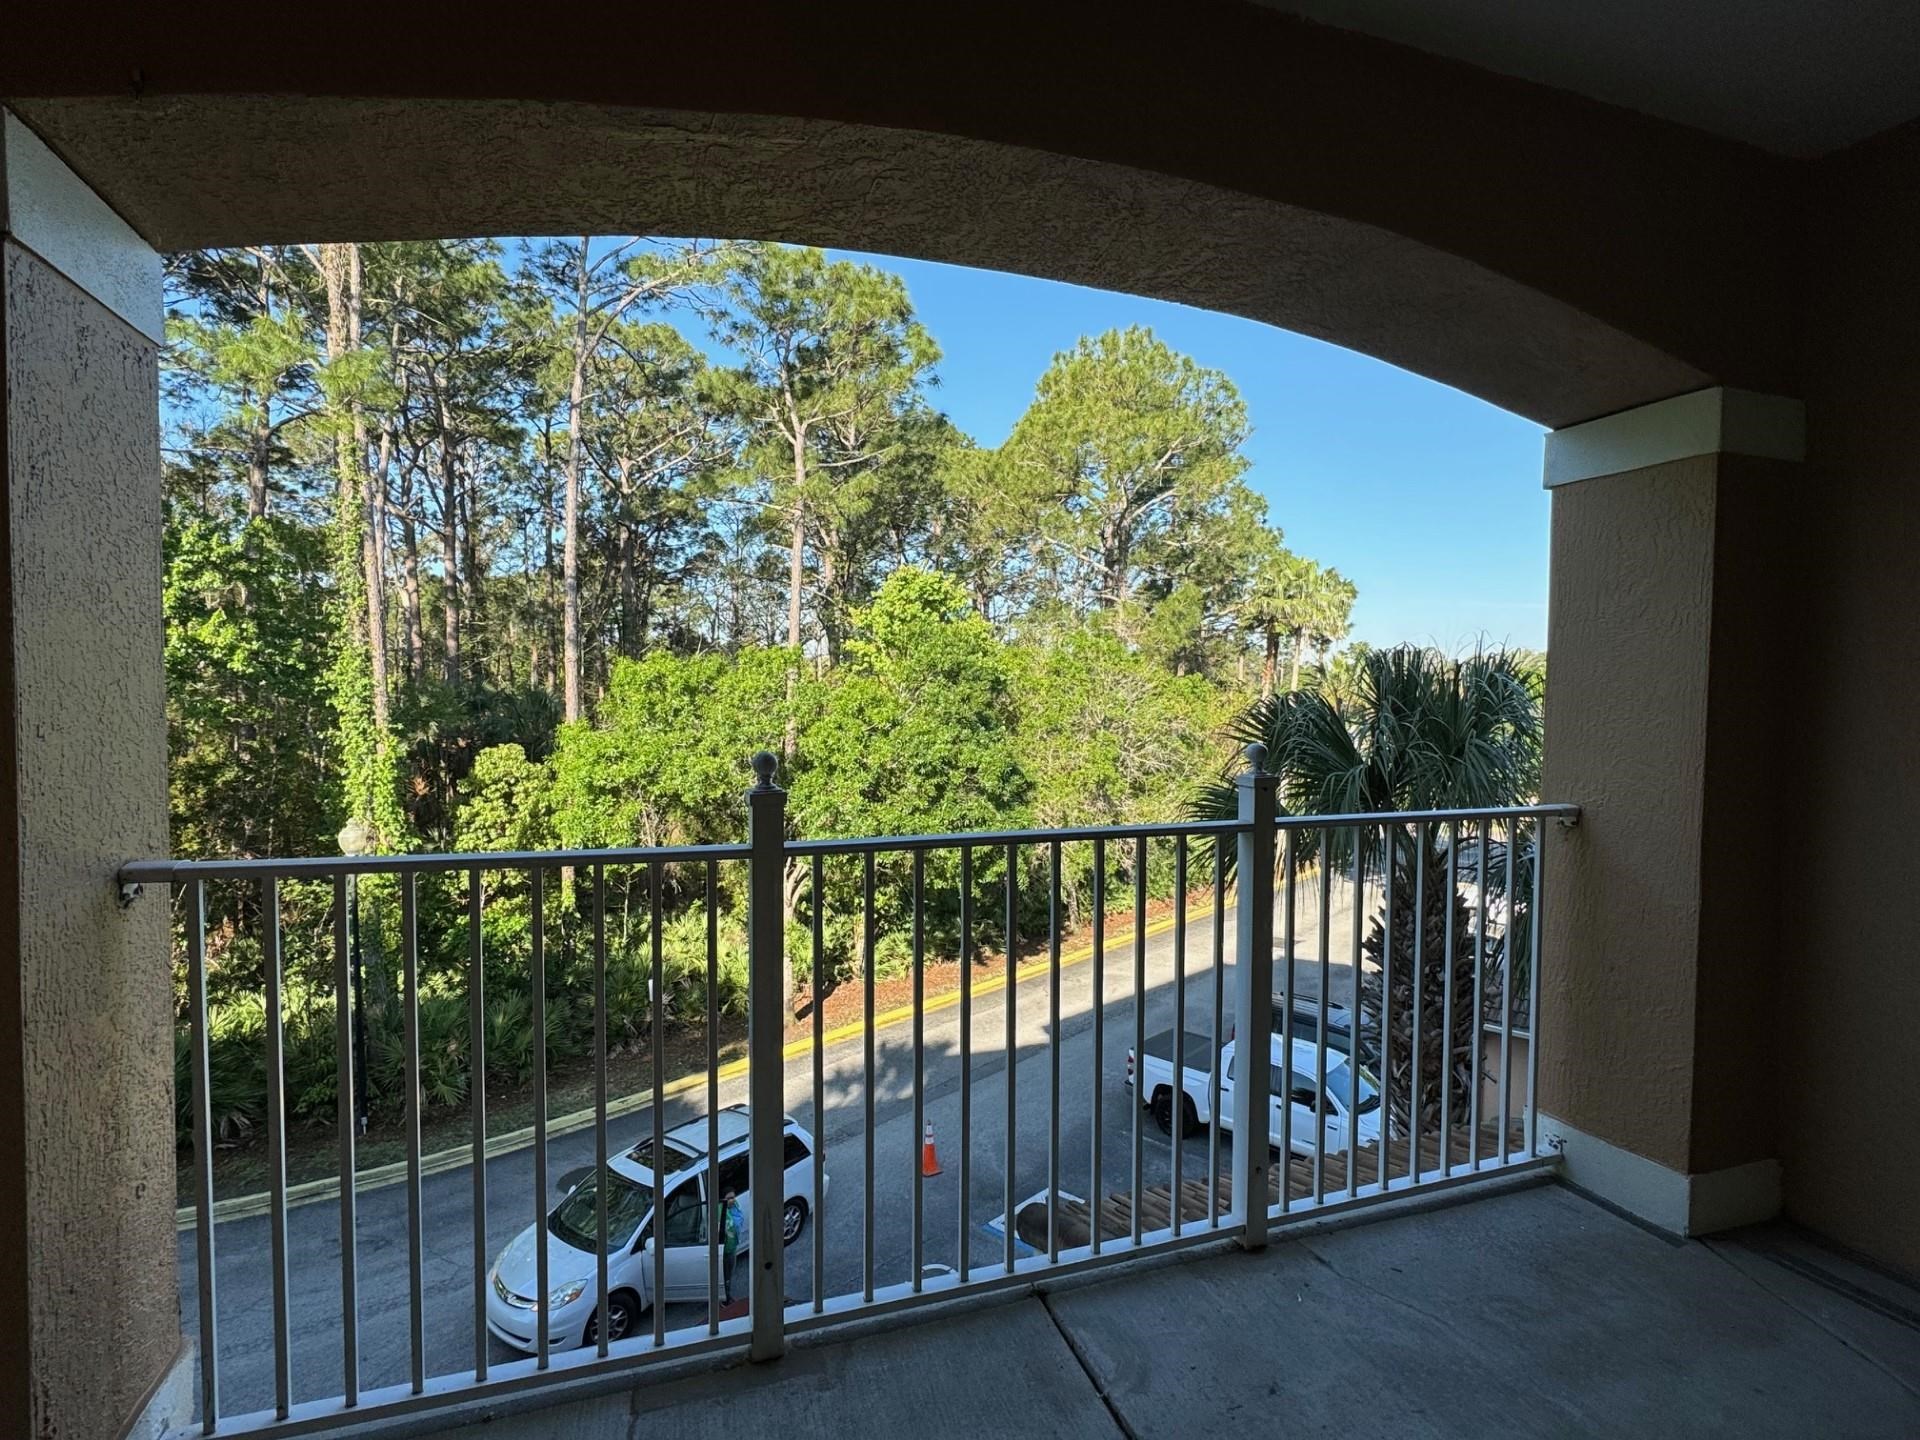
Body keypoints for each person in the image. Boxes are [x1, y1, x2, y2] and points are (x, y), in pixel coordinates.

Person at [718, 1187, 744, 1305]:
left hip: (732, 1247)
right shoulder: (719, 1212)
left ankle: (726, 1295)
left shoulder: (735, 1207)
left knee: (729, 1273)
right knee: (725, 1275)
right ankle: (725, 1298)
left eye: (733, 1197)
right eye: (728, 1198)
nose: (732, 1200)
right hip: (724, 1250)